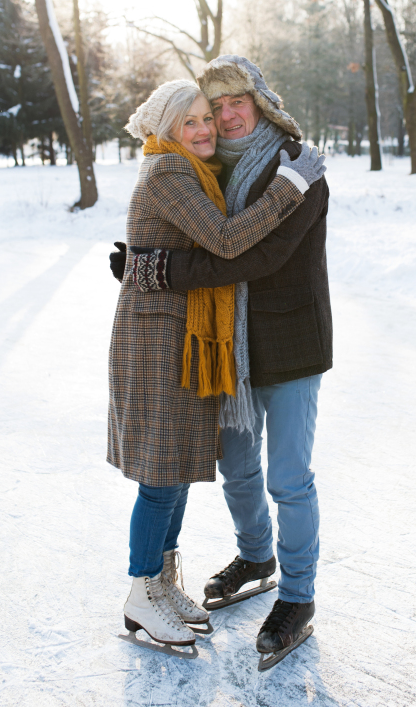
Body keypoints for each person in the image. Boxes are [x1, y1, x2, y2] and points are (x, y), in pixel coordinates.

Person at [113, 57, 332, 667]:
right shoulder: (206, 169)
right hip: (229, 348)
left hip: (289, 344)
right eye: (211, 109)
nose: (224, 117)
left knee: (288, 478)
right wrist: (150, 256)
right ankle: (256, 554)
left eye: (236, 103)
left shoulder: (299, 168)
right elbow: (190, 222)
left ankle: (297, 597)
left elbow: (259, 255)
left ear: (260, 103)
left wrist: (156, 269)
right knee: (236, 467)